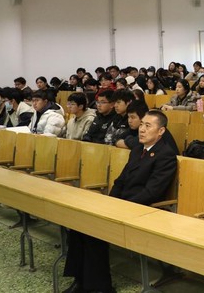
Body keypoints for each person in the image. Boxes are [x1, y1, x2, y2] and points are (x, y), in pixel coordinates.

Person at [63, 110, 178, 293]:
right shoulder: (138, 149)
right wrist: (111, 203)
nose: (142, 129)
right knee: (79, 223)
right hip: (121, 205)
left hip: (142, 210)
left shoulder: (166, 155)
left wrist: (121, 207)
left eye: (148, 126)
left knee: (93, 231)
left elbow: (151, 193)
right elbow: (121, 181)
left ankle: (101, 287)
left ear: (161, 131)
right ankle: (80, 280)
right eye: (142, 124)